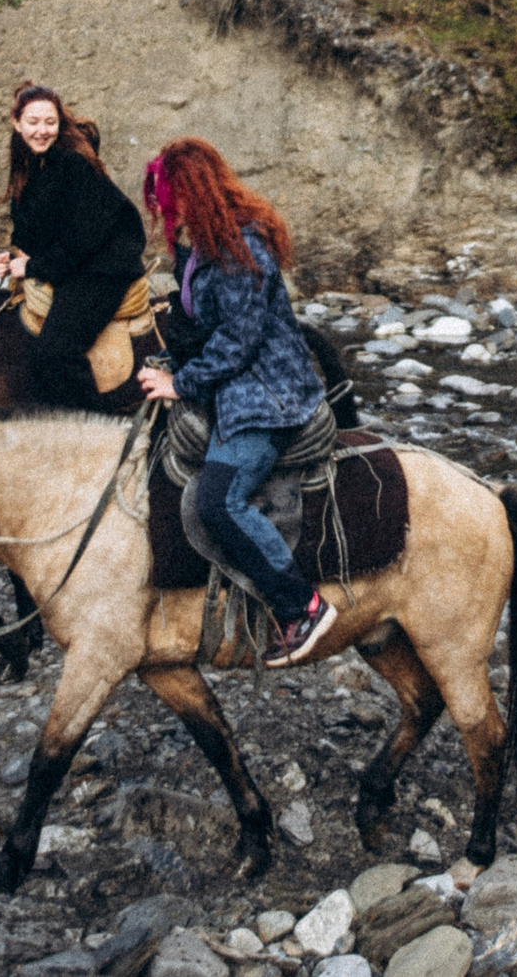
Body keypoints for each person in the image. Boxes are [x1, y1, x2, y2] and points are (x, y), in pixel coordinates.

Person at [133, 137, 338, 668]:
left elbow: (237, 341)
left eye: (167, 201)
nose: (164, 215)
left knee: (218, 502)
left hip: (266, 395)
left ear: (189, 194)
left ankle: (303, 605)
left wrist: (182, 384)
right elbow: (205, 330)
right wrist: (169, 365)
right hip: (235, 385)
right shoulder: (204, 245)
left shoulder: (238, 248)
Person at [0, 84, 146, 409]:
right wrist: (16, 255)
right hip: (78, 262)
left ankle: (99, 430)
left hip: (103, 269)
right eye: (33, 122)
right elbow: (33, 224)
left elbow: (83, 239)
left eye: (50, 122)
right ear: (16, 123)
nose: (41, 131)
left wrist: (32, 267)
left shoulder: (71, 163)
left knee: (56, 353)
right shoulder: (29, 160)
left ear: (60, 123)